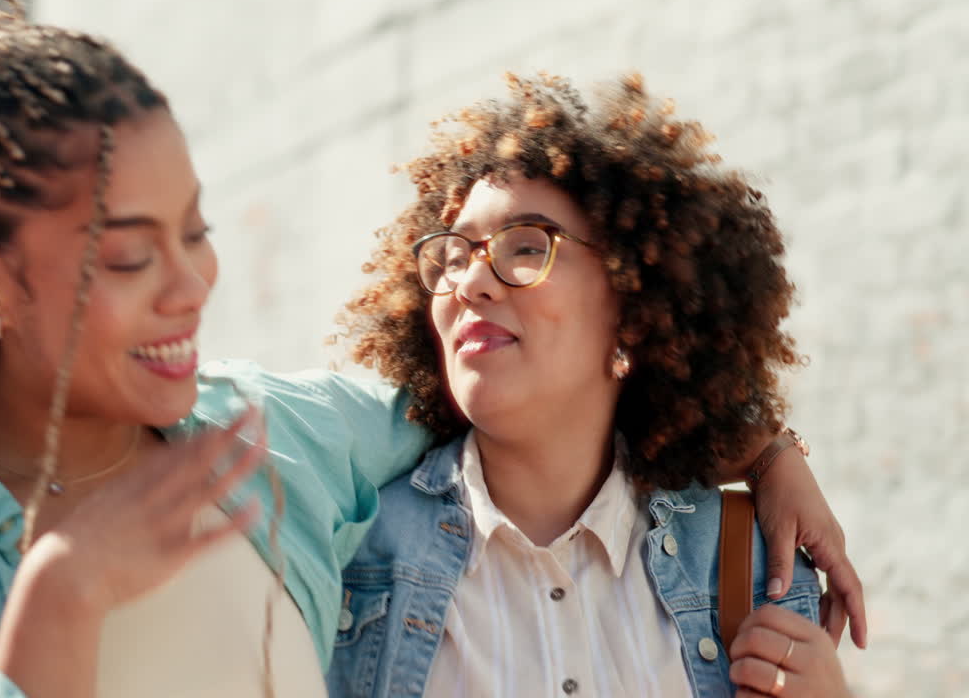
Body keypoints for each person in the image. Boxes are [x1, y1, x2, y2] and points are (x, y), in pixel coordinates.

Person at [0, 0, 860, 697]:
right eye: (133, 253)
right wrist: (59, 604)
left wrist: (761, 448)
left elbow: (543, 398)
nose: (194, 284)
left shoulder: (280, 441)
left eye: (195, 231)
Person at [329, 72, 857, 697]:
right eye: (452, 257)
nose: (471, 282)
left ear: (636, 306)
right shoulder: (350, 551)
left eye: (525, 246)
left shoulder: (744, 560)